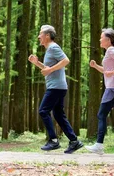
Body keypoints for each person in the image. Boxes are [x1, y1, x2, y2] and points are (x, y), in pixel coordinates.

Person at [28, 25, 83, 154]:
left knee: (43, 111)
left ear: (47, 35)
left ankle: (53, 140)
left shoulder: (53, 47)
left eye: (40, 34)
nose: (38, 37)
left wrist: (50, 69)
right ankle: (74, 141)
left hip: (55, 87)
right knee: (58, 114)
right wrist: (37, 63)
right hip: (58, 86)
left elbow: (66, 60)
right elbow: (48, 69)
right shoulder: (50, 50)